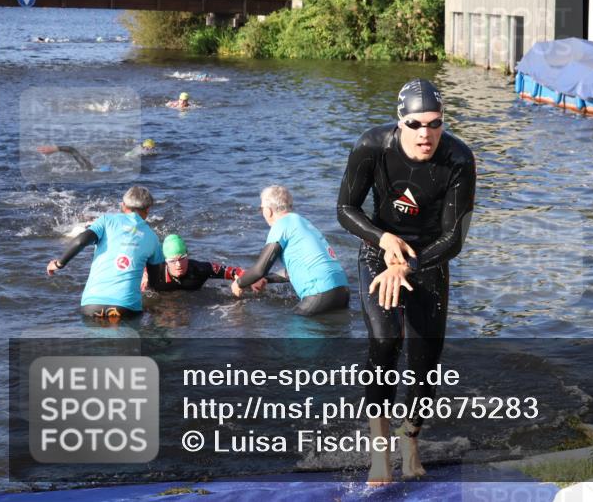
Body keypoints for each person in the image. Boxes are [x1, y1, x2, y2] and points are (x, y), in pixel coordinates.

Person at [336, 78, 476, 484]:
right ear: (400, 121)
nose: (426, 134)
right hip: (379, 248)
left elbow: (455, 238)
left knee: (425, 356)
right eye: (416, 124)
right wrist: (382, 239)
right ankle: (380, 453)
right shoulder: (372, 146)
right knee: (384, 341)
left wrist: (408, 266)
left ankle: (410, 439)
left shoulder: (458, 159)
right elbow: (345, 208)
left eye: (435, 123)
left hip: (429, 257)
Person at [46, 186, 164, 320]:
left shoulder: (106, 220)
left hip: (92, 305)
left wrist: (59, 264)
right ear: (148, 209)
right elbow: (155, 283)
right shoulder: (152, 237)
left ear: (123, 205)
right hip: (126, 308)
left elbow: (80, 241)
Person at [232, 185, 350, 316]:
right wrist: (266, 279)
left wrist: (239, 283)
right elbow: (295, 269)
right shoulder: (303, 222)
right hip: (342, 291)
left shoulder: (281, 225)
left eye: (261, 209)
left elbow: (260, 269)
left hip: (320, 293)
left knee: (292, 331)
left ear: (268, 211)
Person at [142, 234, 268, 293]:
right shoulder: (153, 271)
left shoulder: (199, 269)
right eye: (172, 261)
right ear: (165, 261)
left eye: (182, 258)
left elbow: (233, 271)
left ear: (188, 255)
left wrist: (253, 278)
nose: (178, 265)